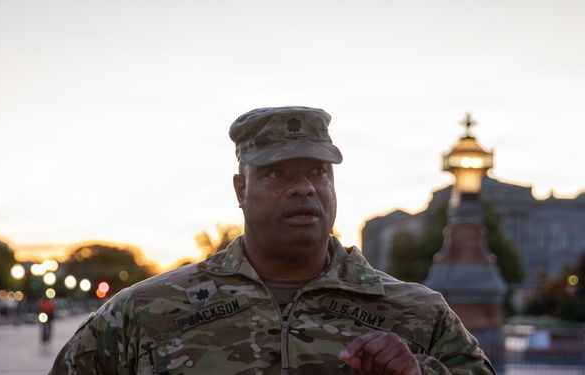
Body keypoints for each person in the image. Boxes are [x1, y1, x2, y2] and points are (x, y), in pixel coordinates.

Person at [50, 106, 496, 375]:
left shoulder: (420, 315)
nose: (304, 188)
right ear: (240, 190)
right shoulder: (143, 313)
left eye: (318, 172)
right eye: (277, 173)